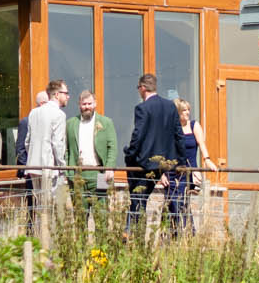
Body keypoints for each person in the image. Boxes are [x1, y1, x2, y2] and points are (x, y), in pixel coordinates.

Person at [124, 73, 190, 229]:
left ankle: (132, 232)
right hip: (164, 165)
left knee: (137, 199)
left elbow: (138, 135)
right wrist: (180, 162)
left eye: (139, 89)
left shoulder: (142, 108)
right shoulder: (170, 106)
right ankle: (134, 232)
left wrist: (130, 154)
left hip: (145, 163)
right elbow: (178, 136)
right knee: (145, 198)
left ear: (143, 88)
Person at [18, 81, 68, 227]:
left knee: (39, 205)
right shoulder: (59, 114)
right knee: (49, 207)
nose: (68, 97)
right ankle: (48, 243)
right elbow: (57, 144)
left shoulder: (34, 112)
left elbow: (27, 141)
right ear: (57, 94)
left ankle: (40, 239)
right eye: (66, 93)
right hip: (49, 167)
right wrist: (62, 167)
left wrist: (33, 155)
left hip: (33, 165)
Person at [66, 90, 117, 223]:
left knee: (102, 216)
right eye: (84, 104)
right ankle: (80, 244)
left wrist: (110, 168)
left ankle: (102, 244)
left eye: (89, 103)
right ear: (79, 105)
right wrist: (68, 172)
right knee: (80, 217)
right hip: (78, 175)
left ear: (95, 104)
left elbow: (112, 147)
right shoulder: (71, 123)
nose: (87, 107)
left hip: (99, 173)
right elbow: (66, 150)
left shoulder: (106, 122)